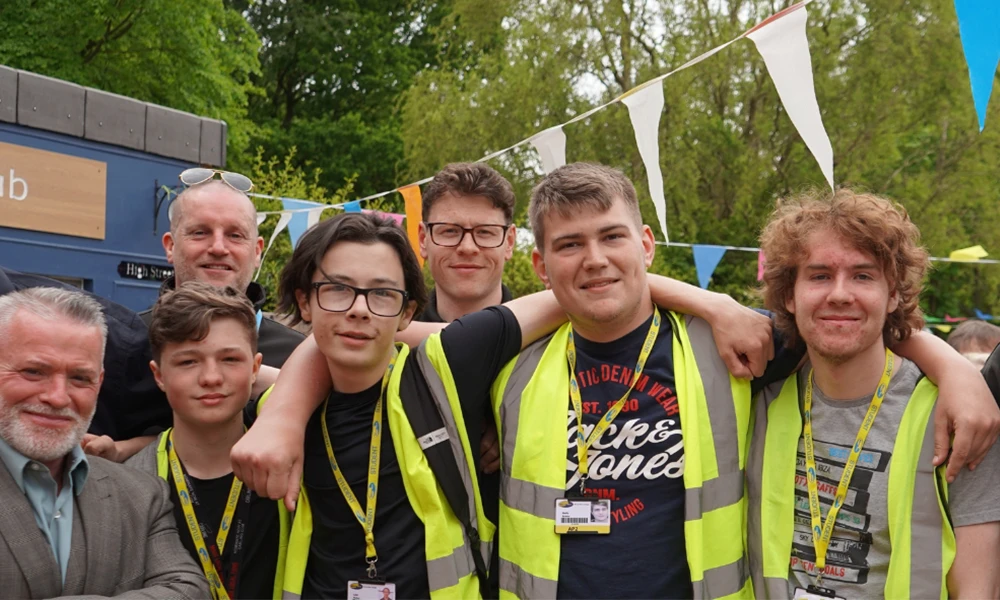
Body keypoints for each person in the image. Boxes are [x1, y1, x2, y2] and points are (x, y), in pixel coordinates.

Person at [233, 164, 998, 600]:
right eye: (570, 245)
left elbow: (847, 317)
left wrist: (953, 372)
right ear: (541, 264)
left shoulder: (732, 345)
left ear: (647, 245)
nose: (594, 259)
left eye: (611, 238)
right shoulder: (508, 363)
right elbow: (362, 337)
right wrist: (281, 412)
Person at [233, 210, 772, 599]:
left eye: (381, 294)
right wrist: (282, 415)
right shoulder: (271, 411)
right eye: (336, 290)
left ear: (407, 312)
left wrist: (713, 303)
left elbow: (584, 286)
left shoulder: (444, 369)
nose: (357, 309)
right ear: (304, 300)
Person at [747, 189, 1000, 599]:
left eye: (863, 276)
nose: (840, 294)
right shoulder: (755, 402)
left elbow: (977, 589)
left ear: (893, 294)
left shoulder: (958, 417)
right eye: (819, 275)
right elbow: (633, 291)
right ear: (790, 296)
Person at [0, 287, 209, 598]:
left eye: (79, 378)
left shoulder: (141, 495)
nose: (58, 397)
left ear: (99, 383)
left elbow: (189, 591)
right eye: (34, 372)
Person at [84, 169, 301, 462]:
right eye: (200, 232)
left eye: (235, 235)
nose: (218, 247)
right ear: (170, 246)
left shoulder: (300, 356)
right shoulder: (122, 345)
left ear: (257, 251)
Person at [126, 282, 289, 599]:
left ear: (255, 368)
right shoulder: (129, 488)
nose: (211, 377)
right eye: (188, 361)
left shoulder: (296, 468)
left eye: (230, 359)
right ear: (159, 375)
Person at [416, 162, 517, 323]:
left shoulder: (552, 335)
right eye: (450, 231)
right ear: (423, 240)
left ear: (509, 242)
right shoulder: (389, 336)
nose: (468, 248)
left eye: (485, 232)